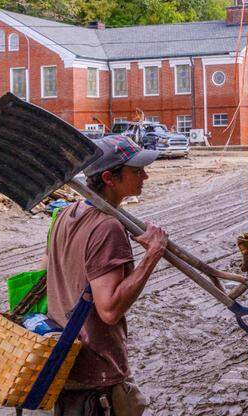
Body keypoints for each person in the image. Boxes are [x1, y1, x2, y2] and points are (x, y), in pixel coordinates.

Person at [46, 135, 167, 416]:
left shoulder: (67, 213)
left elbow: (48, 269)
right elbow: (109, 310)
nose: (145, 176)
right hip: (96, 373)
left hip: (66, 364)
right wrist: (152, 255)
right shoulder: (108, 227)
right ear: (109, 178)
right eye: (136, 171)